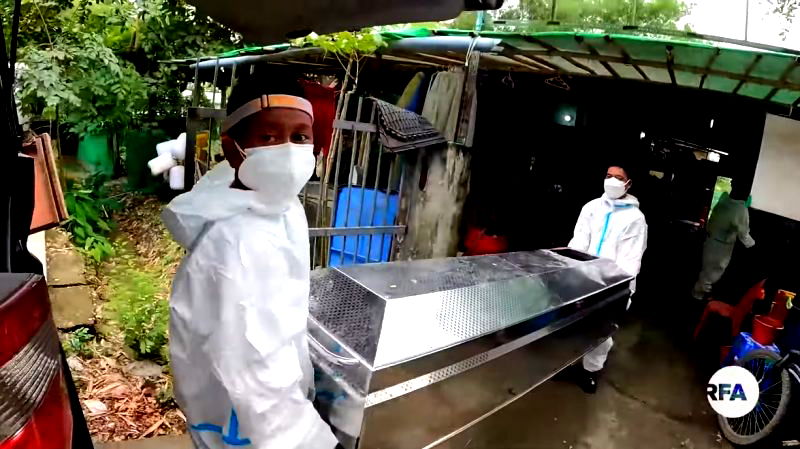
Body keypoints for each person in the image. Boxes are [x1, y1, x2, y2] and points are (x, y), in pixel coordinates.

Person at [162, 74, 338, 449]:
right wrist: (310, 439)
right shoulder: (236, 240)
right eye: (269, 137)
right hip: (256, 423)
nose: (289, 150)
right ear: (233, 149)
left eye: (301, 137)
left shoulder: (276, 204)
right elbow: (251, 362)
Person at [568, 163, 648, 393]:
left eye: (618, 177)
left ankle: (590, 371)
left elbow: (630, 260)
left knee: (602, 331)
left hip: (614, 285)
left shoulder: (635, 219)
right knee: (576, 326)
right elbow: (578, 242)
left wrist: (616, 288)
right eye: (608, 176)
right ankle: (571, 364)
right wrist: (571, 272)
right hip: (584, 278)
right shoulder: (592, 208)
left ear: (628, 183)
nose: (612, 180)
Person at [692, 184, 755, 300]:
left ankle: (699, 296)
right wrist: (753, 245)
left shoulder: (724, 199)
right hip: (721, 247)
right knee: (711, 275)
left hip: (711, 241)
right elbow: (744, 236)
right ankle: (699, 299)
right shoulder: (740, 210)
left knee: (706, 271)